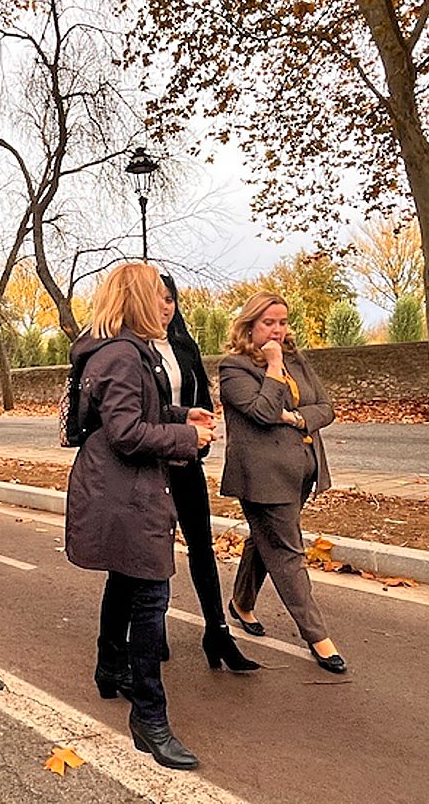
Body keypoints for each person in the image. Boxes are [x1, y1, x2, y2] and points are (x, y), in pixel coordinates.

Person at [64, 263, 216, 771]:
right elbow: (126, 433)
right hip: (127, 493)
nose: (166, 304)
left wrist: (179, 415)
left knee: (127, 582)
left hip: (118, 489)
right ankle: (149, 718)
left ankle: (110, 666)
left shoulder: (122, 351)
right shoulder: (125, 356)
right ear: (137, 301)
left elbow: (124, 417)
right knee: (151, 595)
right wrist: (187, 438)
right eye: (157, 295)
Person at [218, 290, 347, 674]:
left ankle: (241, 603)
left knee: (267, 539)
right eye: (268, 323)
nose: (277, 331)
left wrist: (297, 419)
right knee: (288, 552)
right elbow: (261, 412)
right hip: (262, 476)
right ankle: (318, 637)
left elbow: (326, 408)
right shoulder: (233, 368)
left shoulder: (297, 359)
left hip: (302, 470)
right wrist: (273, 367)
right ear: (249, 325)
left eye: (283, 322)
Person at [152, 275, 258, 672]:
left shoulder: (183, 345)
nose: (166, 307)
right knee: (156, 548)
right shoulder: (132, 350)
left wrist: (204, 436)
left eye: (171, 299)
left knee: (202, 545)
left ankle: (217, 632)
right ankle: (153, 623)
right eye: (157, 299)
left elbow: (202, 399)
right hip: (151, 464)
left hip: (186, 461)